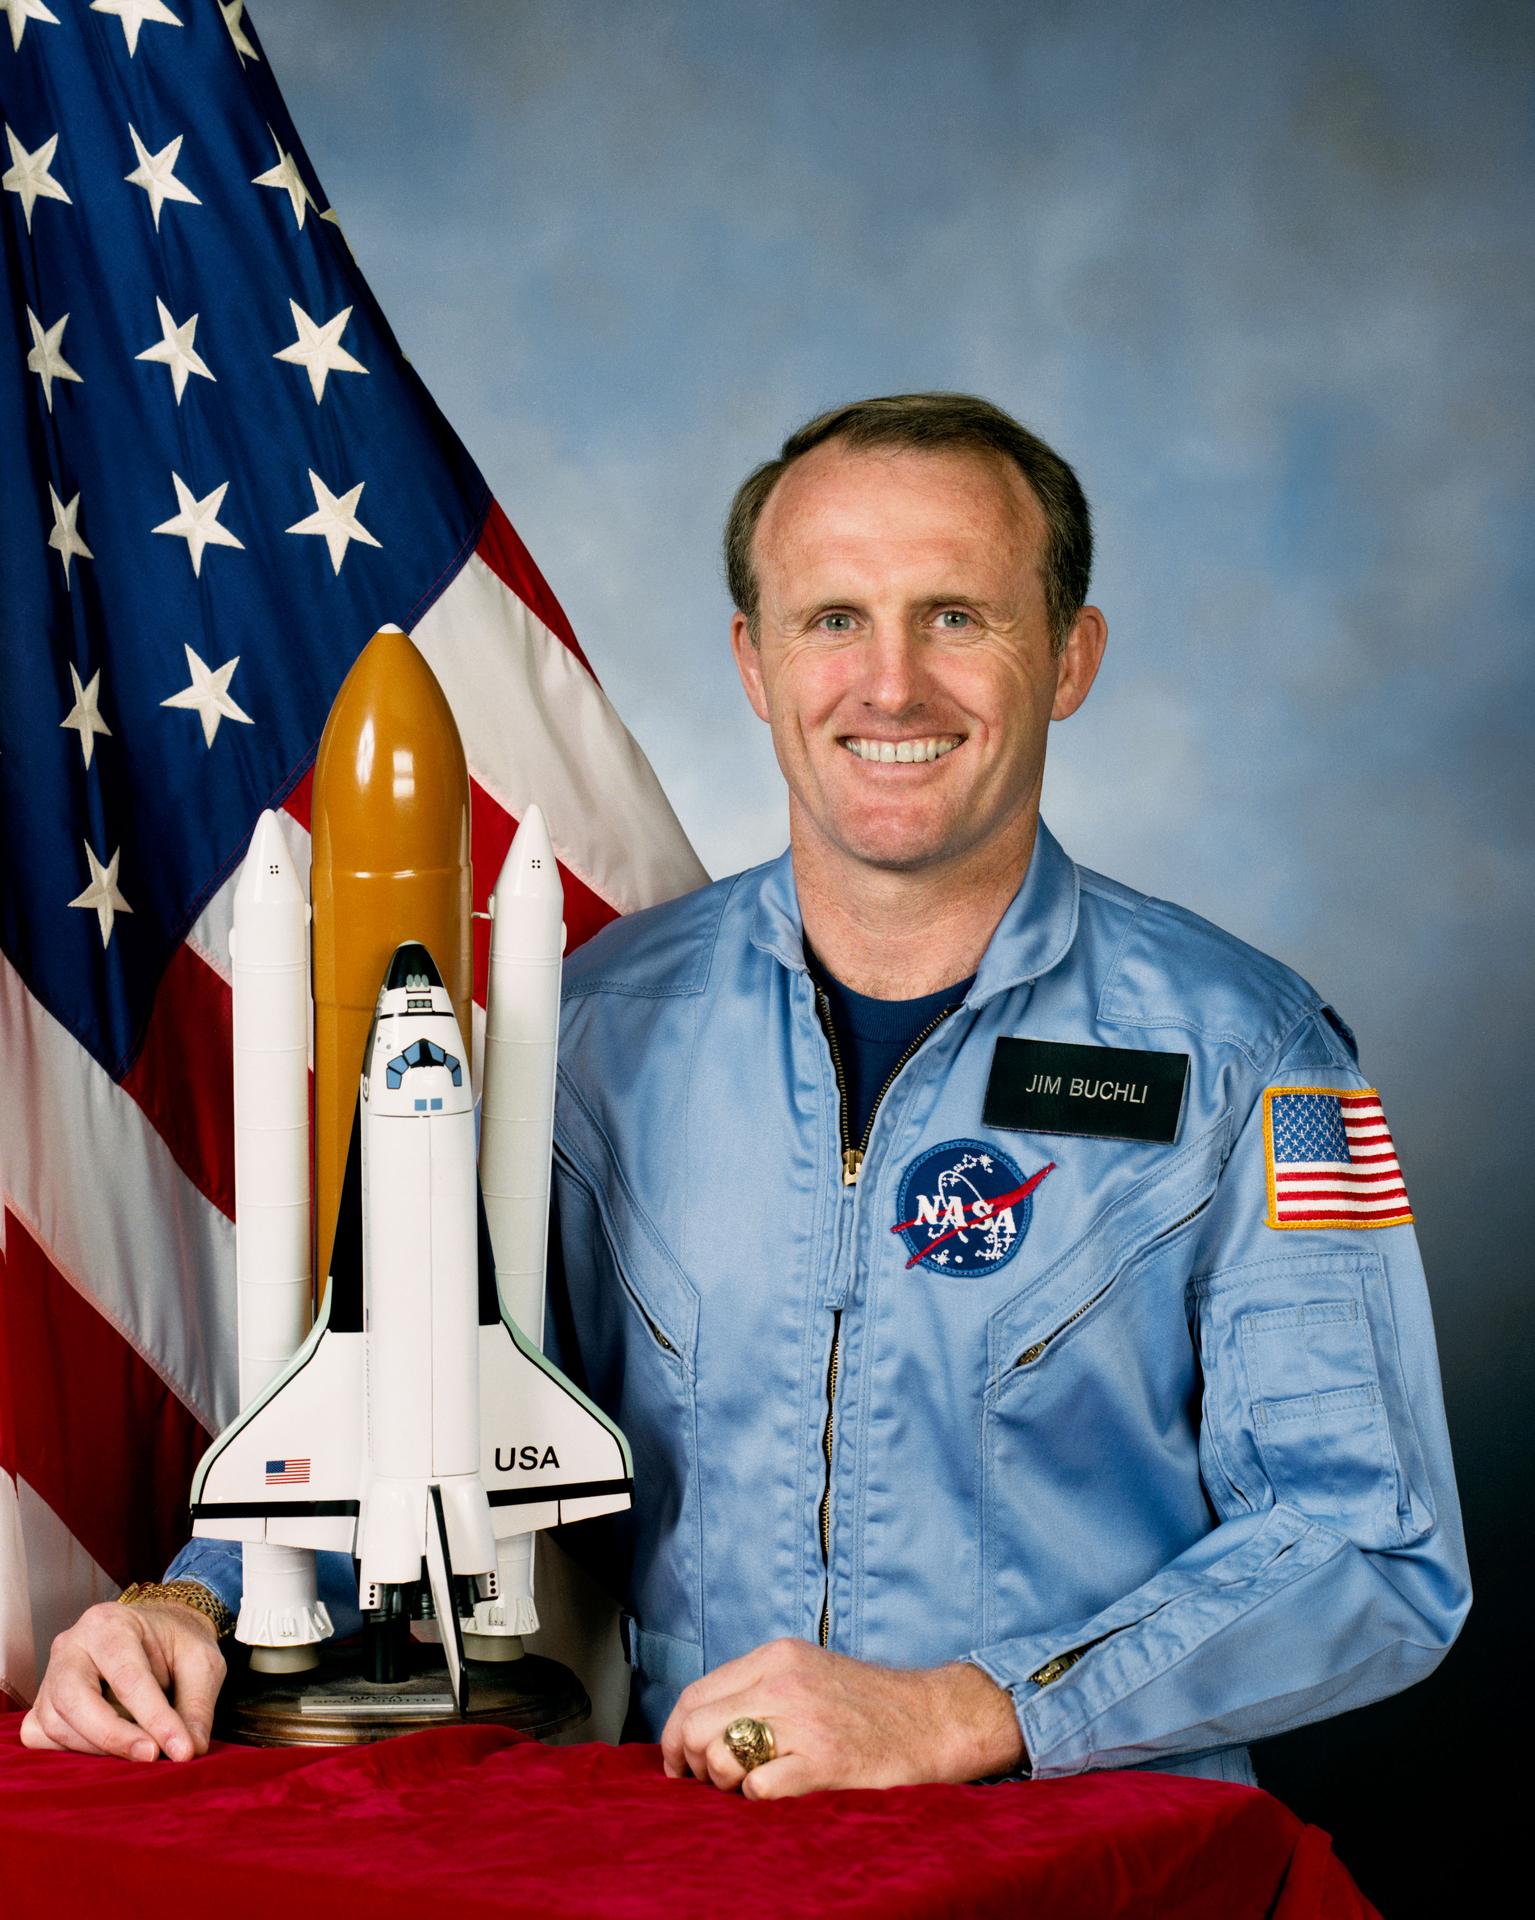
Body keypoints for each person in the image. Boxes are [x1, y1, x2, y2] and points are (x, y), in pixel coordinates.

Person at [22, 394, 1470, 1799]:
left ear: (1072, 656)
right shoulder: (589, 1032)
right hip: (703, 1861)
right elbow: (433, 1403)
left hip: (1094, 1867)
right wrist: (197, 1608)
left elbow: (1369, 1544)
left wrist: (974, 1714)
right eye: (833, 619)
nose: (890, 683)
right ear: (753, 664)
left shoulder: (1257, 1057)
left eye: (956, 615)